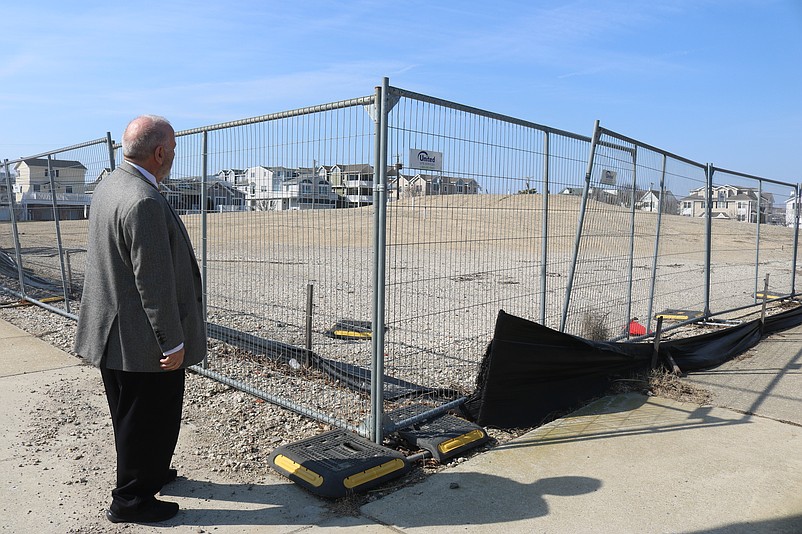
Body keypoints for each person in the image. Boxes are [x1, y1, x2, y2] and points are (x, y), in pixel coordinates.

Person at [74, 115, 206, 524]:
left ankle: (151, 472)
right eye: (174, 151)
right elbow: (153, 282)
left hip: (112, 329)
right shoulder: (144, 200)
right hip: (141, 339)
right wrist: (172, 341)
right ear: (161, 152)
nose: (173, 159)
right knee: (145, 416)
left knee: (133, 413)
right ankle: (131, 501)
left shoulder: (111, 183)